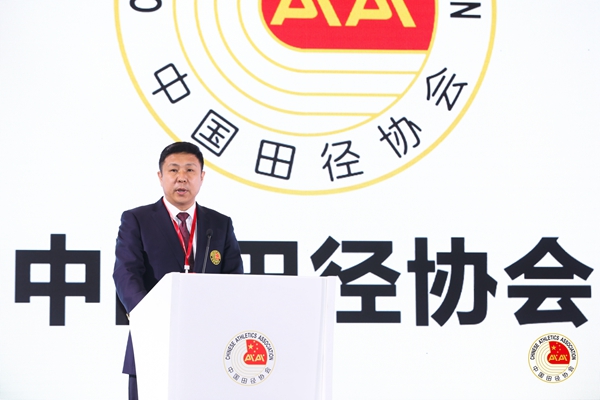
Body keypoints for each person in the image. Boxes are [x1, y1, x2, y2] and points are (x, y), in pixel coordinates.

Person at [113, 141, 244, 400]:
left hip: (209, 345)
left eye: (190, 170)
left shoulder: (220, 224)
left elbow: (234, 280)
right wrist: (151, 317)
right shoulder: (137, 219)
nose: (182, 177)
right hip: (153, 340)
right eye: (173, 170)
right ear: (160, 176)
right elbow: (126, 273)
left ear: (202, 177)